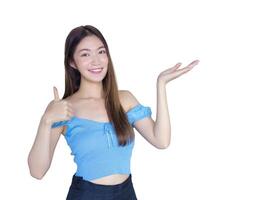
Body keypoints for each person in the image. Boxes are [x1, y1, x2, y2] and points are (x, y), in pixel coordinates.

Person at [27, 25, 199, 199]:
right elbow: (37, 171)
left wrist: (161, 84)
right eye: (85, 54)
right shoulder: (64, 109)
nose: (96, 61)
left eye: (101, 52)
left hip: (126, 193)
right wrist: (46, 121)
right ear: (72, 62)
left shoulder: (124, 100)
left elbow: (161, 140)